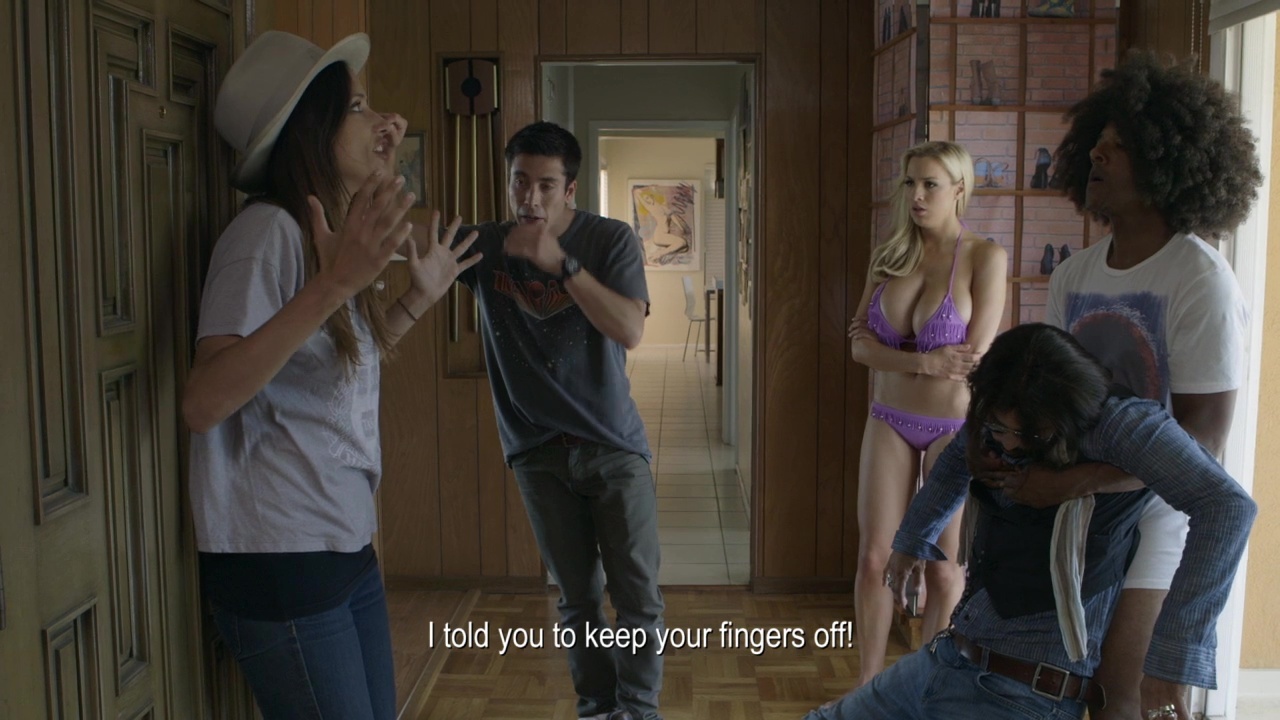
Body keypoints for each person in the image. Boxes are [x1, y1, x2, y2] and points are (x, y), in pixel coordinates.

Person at [184, 31, 479, 719]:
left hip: (342, 544)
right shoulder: (265, 235)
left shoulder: (328, 240)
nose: (385, 122)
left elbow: (335, 366)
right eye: (357, 108)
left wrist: (417, 299)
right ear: (309, 130)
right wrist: (333, 284)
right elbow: (204, 401)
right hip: (280, 559)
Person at [976, 51, 1262, 720]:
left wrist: (1078, 481)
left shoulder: (1200, 279)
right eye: (1096, 144)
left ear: (1167, 162)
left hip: (1161, 519)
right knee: (1058, 691)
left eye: (1119, 146)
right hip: (1077, 520)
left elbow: (1202, 440)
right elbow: (1044, 402)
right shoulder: (1074, 275)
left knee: (1120, 696)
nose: (1096, 157)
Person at [805, 323, 1256, 720]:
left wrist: (1172, 663)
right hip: (946, 657)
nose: (1002, 442)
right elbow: (956, 460)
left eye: (1019, 434)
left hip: (1023, 694)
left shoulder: (1122, 424)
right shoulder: (1000, 403)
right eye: (995, 428)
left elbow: (1227, 507)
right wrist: (911, 541)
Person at [453, 121, 661, 720]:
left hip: (613, 447)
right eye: (520, 182)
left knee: (638, 600)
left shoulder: (609, 239)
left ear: (570, 189)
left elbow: (630, 329)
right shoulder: (487, 244)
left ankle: (639, 712)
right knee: (577, 601)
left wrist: (561, 264)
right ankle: (596, 709)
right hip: (536, 453)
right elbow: (404, 239)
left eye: (546, 185)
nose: (530, 198)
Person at [845, 140, 1007, 685]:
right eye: (910, 182)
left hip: (953, 429)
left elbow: (971, 359)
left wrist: (908, 359)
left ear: (958, 189)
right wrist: (926, 362)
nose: (916, 195)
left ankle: (924, 690)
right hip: (888, 417)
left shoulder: (985, 257)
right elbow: (858, 346)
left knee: (942, 569)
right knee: (874, 558)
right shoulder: (889, 256)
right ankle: (868, 691)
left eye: (929, 184)